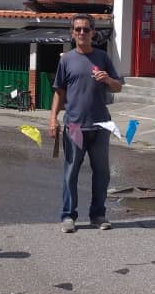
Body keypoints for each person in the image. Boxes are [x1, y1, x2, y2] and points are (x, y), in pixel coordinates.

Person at [48, 13, 123, 233]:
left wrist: (107, 79)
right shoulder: (66, 60)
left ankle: (98, 215)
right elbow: (59, 92)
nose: (82, 33)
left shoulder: (103, 58)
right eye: (78, 29)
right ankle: (68, 216)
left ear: (93, 33)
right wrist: (53, 118)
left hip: (100, 126)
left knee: (102, 173)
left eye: (86, 29)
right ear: (72, 33)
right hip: (74, 127)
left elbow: (118, 87)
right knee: (71, 172)